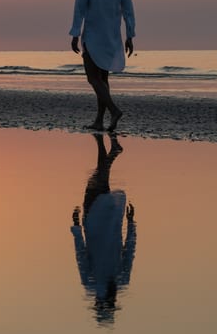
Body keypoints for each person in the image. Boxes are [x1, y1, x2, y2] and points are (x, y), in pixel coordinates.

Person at [69, 0, 136, 132]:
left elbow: (80, 5)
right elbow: (128, 9)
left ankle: (114, 111)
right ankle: (99, 120)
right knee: (103, 79)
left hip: (93, 34)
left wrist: (75, 32)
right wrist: (130, 35)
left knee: (93, 78)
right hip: (112, 35)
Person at [71, 133, 137, 325]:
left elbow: (130, 249)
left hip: (109, 214)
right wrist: (76, 227)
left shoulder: (119, 281)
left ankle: (103, 143)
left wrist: (131, 223)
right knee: (99, 177)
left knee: (100, 178)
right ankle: (112, 150)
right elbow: (80, 254)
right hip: (93, 217)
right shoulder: (92, 282)